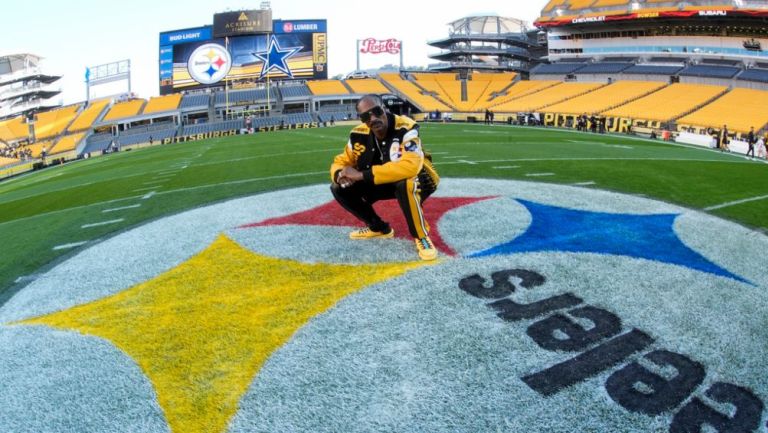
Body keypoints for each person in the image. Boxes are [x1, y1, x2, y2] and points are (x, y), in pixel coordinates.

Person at [330, 94, 440, 261]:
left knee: (406, 182)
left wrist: (360, 175)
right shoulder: (357, 134)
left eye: (376, 111)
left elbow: (410, 167)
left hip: (421, 178)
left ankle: (421, 236)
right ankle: (378, 228)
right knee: (338, 188)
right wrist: (340, 175)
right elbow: (341, 161)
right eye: (366, 116)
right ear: (362, 119)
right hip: (380, 180)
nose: (373, 118)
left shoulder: (406, 127)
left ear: (385, 108)